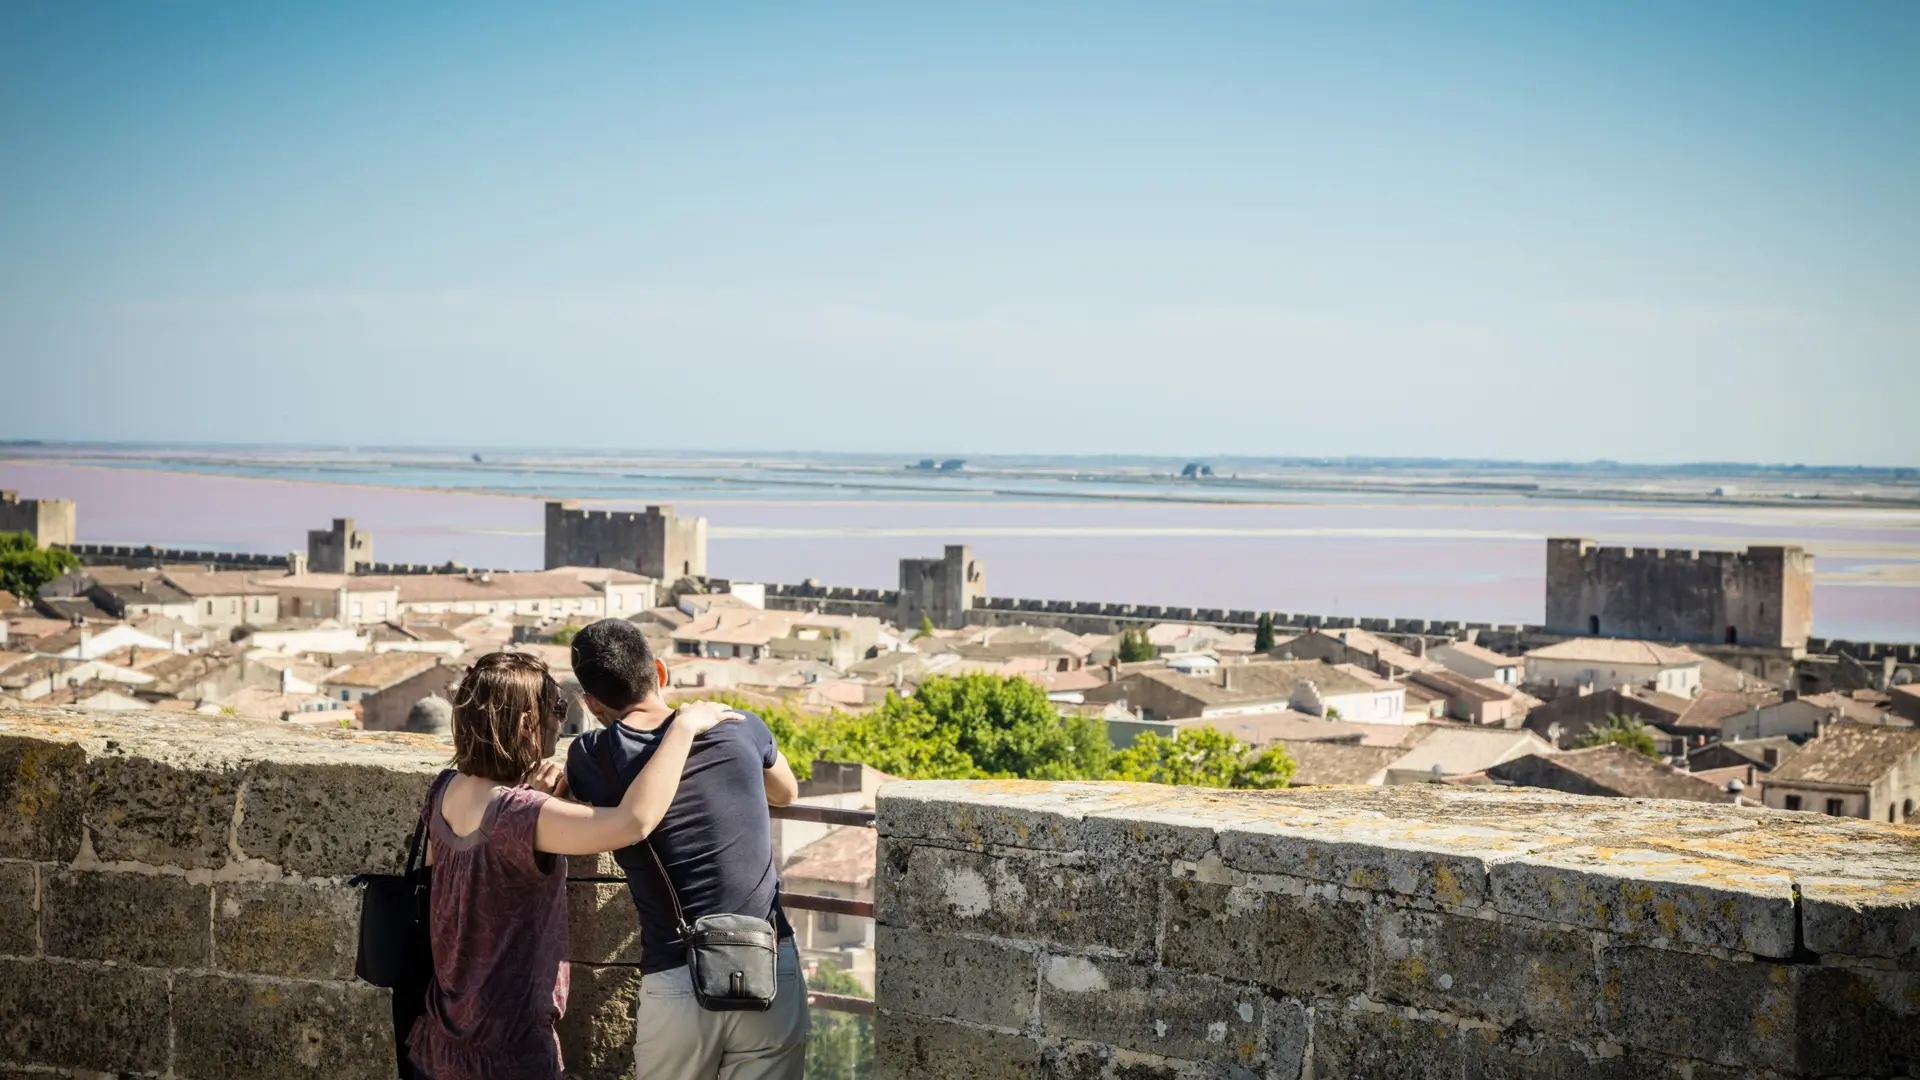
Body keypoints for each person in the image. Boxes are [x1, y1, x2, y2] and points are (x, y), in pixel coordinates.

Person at [408, 650, 741, 1080]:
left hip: (437, 1044)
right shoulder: (522, 814)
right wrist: (683, 727)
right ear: (527, 724)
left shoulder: (443, 791)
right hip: (509, 1052)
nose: (561, 721)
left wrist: (532, 799)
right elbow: (633, 822)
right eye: (557, 709)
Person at [563, 619, 809, 1080]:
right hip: (769, 962)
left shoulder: (591, 757)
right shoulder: (741, 727)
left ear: (591, 703)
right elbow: (786, 792)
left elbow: (577, 784)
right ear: (660, 671)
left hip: (678, 975)